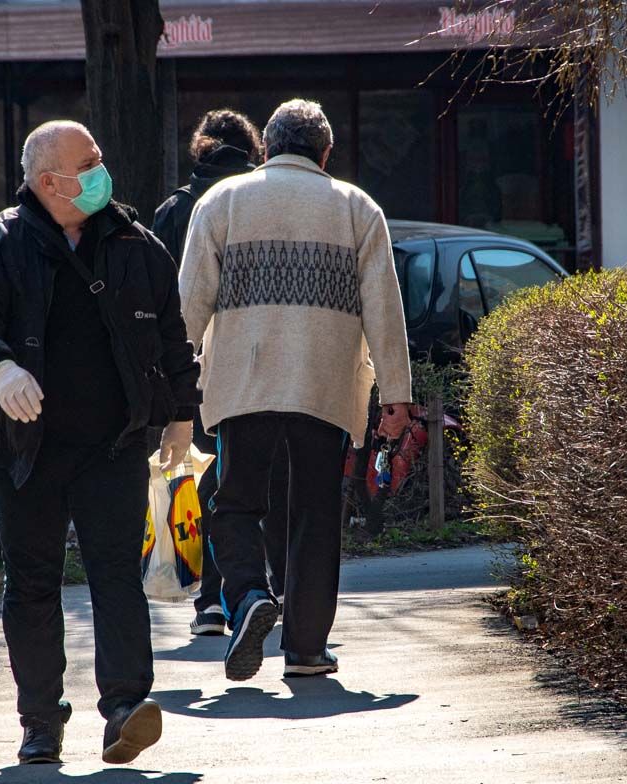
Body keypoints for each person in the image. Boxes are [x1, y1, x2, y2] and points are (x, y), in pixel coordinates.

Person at [0, 120, 200, 766]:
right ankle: (40, 721)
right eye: (87, 163)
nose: (100, 168)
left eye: (99, 158)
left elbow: (172, 337)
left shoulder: (137, 246)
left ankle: (124, 708)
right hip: (24, 451)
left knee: (116, 574)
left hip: (112, 446)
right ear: (49, 182)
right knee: (31, 581)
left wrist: (180, 416)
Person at [178, 99, 412, 682]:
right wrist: (397, 396)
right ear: (326, 153)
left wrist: (174, 387)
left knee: (233, 503)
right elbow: (385, 311)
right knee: (314, 511)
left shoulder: (220, 202)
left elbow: (188, 306)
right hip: (324, 386)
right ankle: (307, 648)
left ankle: (251, 594)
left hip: (241, 385)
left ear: (267, 150)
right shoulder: (358, 209)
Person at [152, 109, 288, 638]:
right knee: (252, 481)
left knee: (202, 477)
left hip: (192, 364)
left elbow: (164, 290)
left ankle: (210, 600)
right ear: (253, 150)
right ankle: (255, 589)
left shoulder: (174, 210)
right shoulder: (258, 201)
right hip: (253, 362)